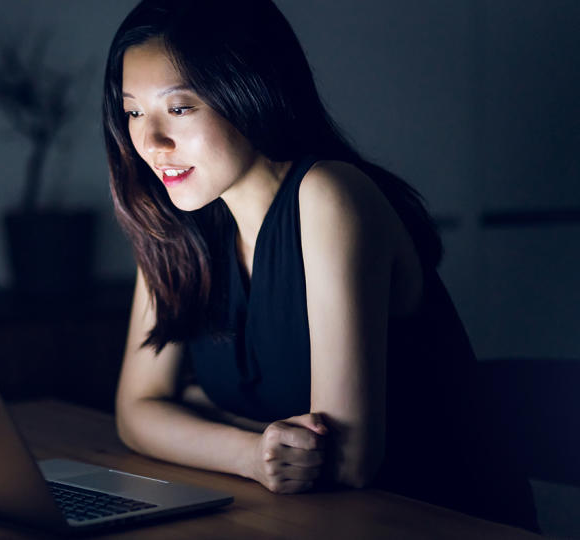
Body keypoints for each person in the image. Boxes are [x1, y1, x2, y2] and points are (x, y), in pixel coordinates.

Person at [102, 0, 537, 530]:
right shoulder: (175, 225)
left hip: (429, 522)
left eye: (180, 107)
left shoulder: (329, 195)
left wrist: (196, 409)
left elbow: (347, 463)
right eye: (132, 112)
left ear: (252, 92)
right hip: (302, 521)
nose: (150, 143)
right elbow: (137, 411)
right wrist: (251, 453)